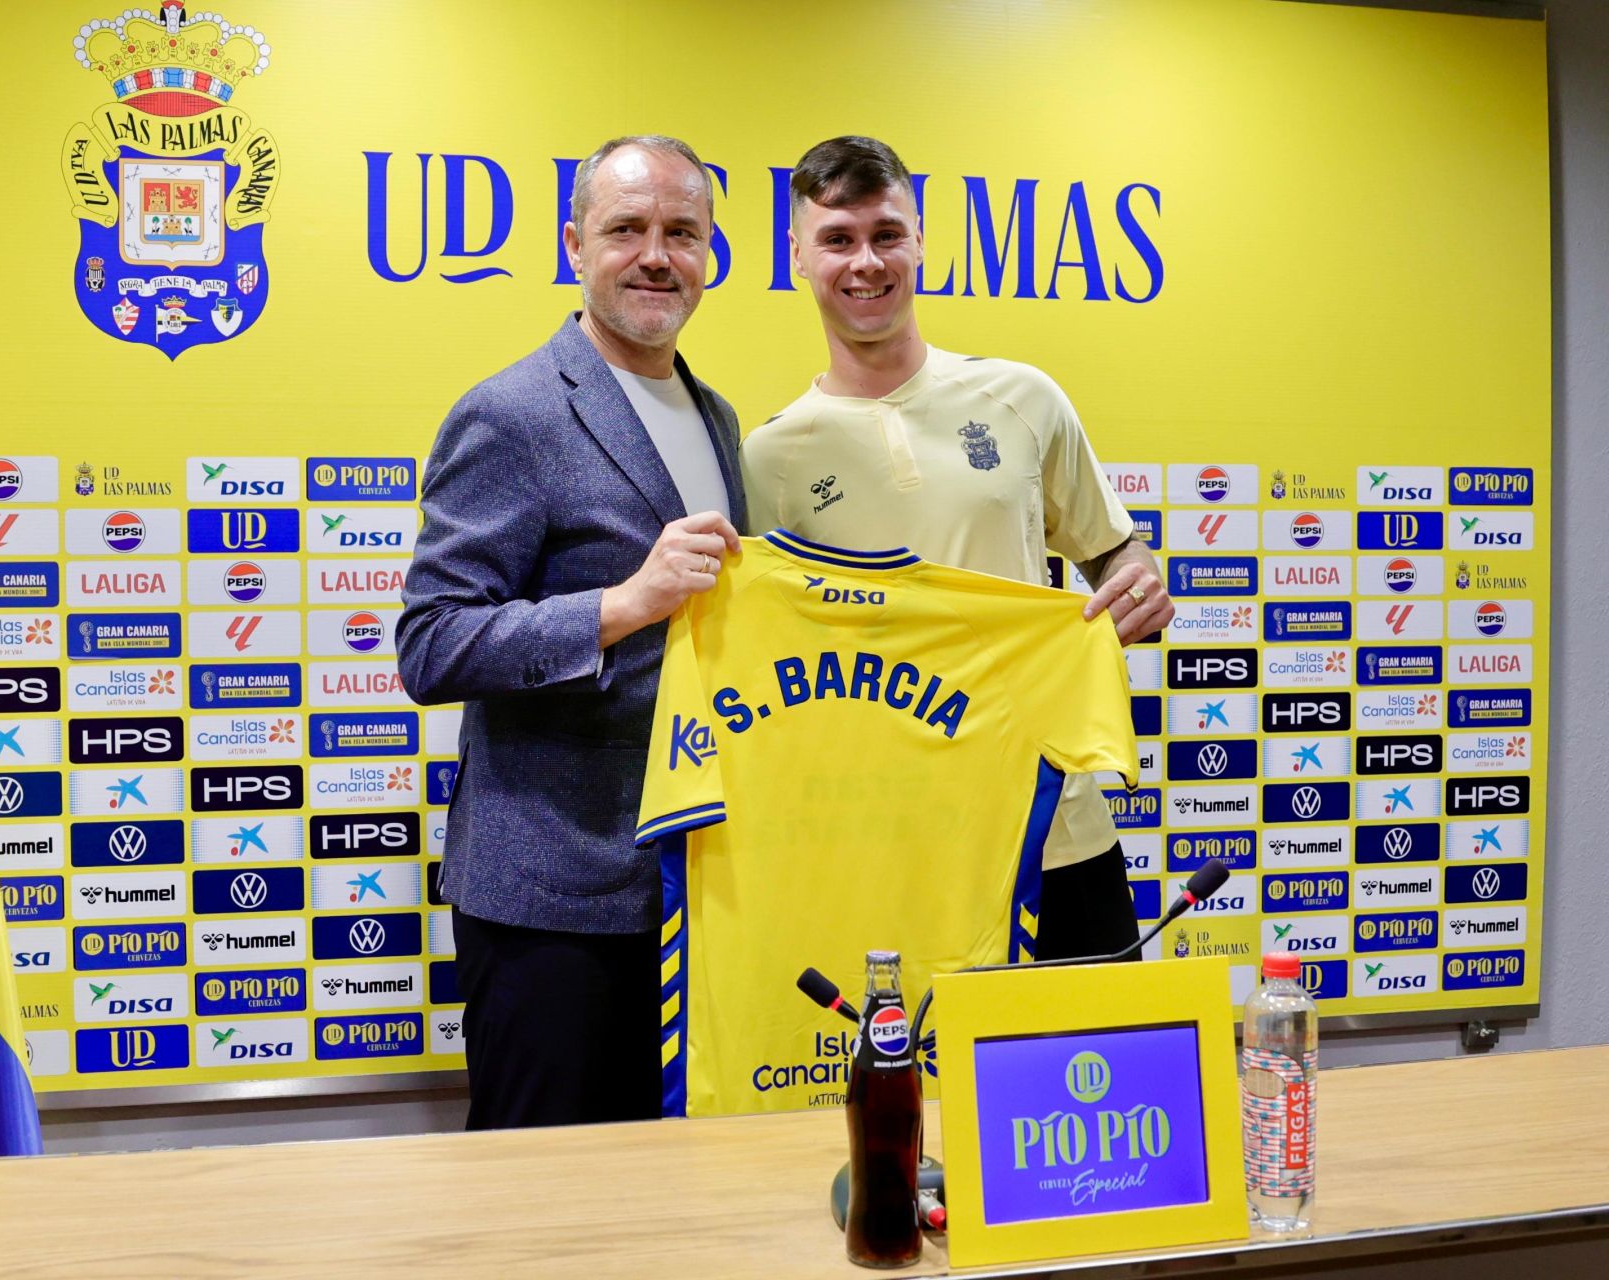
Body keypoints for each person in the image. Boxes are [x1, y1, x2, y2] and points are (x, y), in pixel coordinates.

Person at [742, 136, 1174, 961]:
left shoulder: (1024, 399)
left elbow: (1115, 555)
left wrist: (1139, 583)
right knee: (913, 1090)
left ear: (921, 242)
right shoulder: (770, 457)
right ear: (796, 254)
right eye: (837, 239)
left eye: (886, 234)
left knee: (1095, 1080)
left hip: (1058, 830)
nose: (865, 261)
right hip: (890, 847)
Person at [397, 135, 746, 1129]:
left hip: (683, 889)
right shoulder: (511, 413)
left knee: (663, 1202)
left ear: (710, 255)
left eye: (683, 232)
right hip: (549, 900)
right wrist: (623, 603)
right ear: (573, 244)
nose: (656, 255)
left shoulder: (716, 417)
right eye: (626, 228)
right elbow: (432, 644)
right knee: (541, 1210)